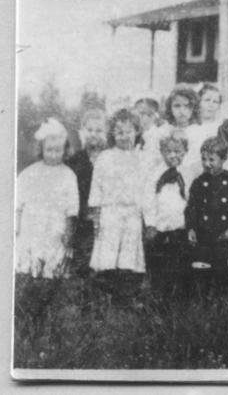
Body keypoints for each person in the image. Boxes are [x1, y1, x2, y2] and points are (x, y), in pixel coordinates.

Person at [89, 109, 148, 294]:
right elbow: (96, 187)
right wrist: (96, 214)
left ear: (137, 131)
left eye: (129, 131)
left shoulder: (141, 157)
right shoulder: (105, 157)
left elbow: (145, 188)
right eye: (119, 132)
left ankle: (126, 291)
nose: (124, 136)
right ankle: (107, 289)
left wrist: (145, 215)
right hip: (110, 210)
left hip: (132, 212)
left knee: (129, 250)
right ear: (112, 134)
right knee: (109, 248)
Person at [16, 118, 79, 279]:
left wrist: (69, 233)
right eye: (49, 150)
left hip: (55, 226)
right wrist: (16, 226)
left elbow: (72, 208)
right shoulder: (30, 173)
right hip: (33, 225)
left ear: (65, 150)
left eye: (58, 150)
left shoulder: (68, 175)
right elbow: (18, 203)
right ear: (41, 149)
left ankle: (49, 278)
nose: (53, 155)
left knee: (52, 267)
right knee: (30, 264)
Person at [143, 131, 192, 297]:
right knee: (159, 267)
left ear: (185, 152)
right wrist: (150, 224)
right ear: (162, 152)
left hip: (180, 228)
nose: (173, 155)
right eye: (168, 151)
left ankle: (179, 299)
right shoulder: (154, 174)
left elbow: (191, 200)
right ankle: (158, 299)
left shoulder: (186, 174)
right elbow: (148, 201)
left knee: (180, 266)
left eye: (177, 151)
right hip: (160, 229)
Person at [186, 137, 228, 297]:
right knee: (202, 269)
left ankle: (222, 303)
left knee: (222, 271)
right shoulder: (199, 182)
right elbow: (192, 208)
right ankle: (202, 302)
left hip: (224, 233)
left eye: (212, 160)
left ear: (224, 159)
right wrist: (191, 228)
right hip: (204, 233)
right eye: (204, 159)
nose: (207, 163)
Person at [65, 107, 108, 276]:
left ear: (106, 132)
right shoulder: (75, 161)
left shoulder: (110, 157)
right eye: (89, 130)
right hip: (83, 219)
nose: (93, 134)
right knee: (82, 262)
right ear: (82, 131)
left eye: (98, 130)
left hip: (106, 217)